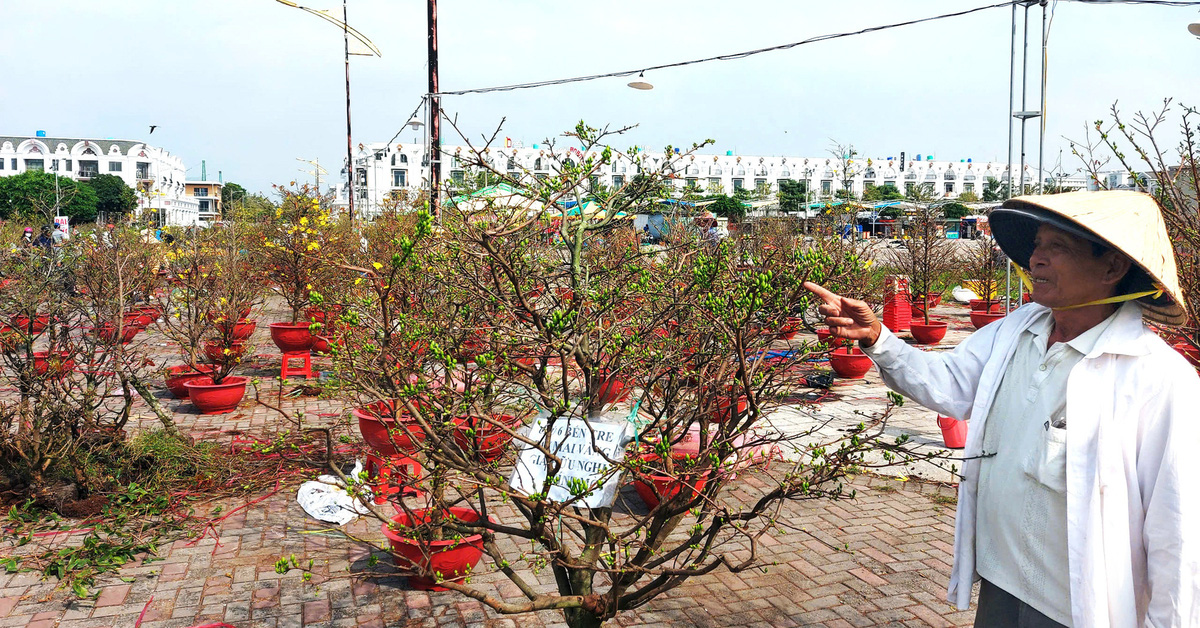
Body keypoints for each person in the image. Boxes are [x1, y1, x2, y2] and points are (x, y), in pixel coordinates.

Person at [804, 191, 1199, 626]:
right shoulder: (1018, 330)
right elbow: (951, 386)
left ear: (1113, 267)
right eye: (1037, 246)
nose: (1036, 261)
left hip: (1079, 607)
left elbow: (1177, 531)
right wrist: (879, 337)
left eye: (1057, 247)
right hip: (1001, 581)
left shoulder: (1159, 379)